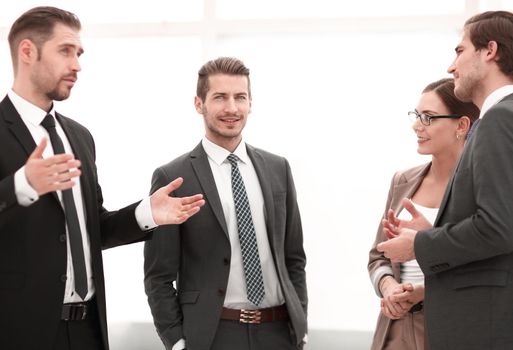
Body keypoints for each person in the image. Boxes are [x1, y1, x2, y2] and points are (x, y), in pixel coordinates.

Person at [0, 6, 205, 350]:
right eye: (65, 50)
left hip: (87, 331)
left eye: (78, 53)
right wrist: (21, 186)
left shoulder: (80, 137)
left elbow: (94, 230)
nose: (77, 65)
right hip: (18, 332)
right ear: (27, 52)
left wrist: (146, 213)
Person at [144, 57, 307, 350]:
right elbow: (159, 275)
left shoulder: (277, 168)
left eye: (240, 97)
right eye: (220, 97)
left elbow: (294, 257)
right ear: (199, 104)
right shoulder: (173, 177)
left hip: (279, 333)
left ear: (250, 103)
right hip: (213, 335)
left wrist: (300, 325)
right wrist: (176, 341)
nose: (231, 108)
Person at [377, 11, 513, 349]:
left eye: (459, 51)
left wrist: (418, 245)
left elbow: (498, 228)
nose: (452, 67)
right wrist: (432, 233)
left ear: (490, 51)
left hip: (483, 326)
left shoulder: (499, 119)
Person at [368, 78, 479, 350]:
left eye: (429, 117)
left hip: (452, 329)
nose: (417, 125)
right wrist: (389, 288)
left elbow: (482, 270)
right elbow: (377, 257)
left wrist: (423, 293)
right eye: (417, 116)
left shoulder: (480, 188)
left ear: (462, 126)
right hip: (394, 329)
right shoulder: (402, 181)